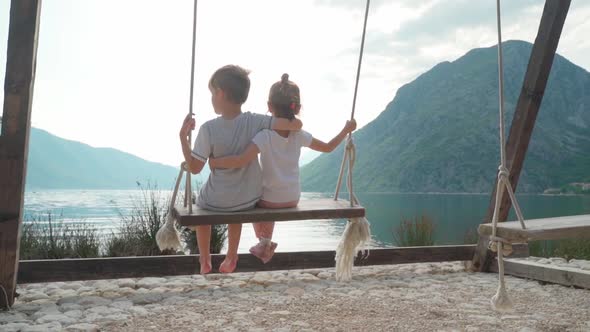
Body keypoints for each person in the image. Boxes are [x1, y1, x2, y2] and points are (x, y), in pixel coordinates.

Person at [208, 73, 356, 263]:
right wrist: (346, 130)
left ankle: (264, 241)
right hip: (293, 197)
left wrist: (214, 162)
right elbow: (327, 147)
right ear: (298, 108)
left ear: (269, 107)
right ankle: (265, 241)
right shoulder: (299, 135)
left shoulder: (264, 136)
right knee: (270, 196)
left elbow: (240, 160)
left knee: (252, 199)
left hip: (268, 199)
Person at [179, 65, 303, 274]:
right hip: (247, 198)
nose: (211, 98)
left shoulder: (208, 129)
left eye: (212, 93)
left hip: (216, 201)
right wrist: (293, 119)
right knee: (236, 210)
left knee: (201, 205)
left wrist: (183, 138)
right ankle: (231, 255)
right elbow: (295, 126)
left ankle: (204, 259)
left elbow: (194, 168)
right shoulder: (255, 121)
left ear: (221, 93)